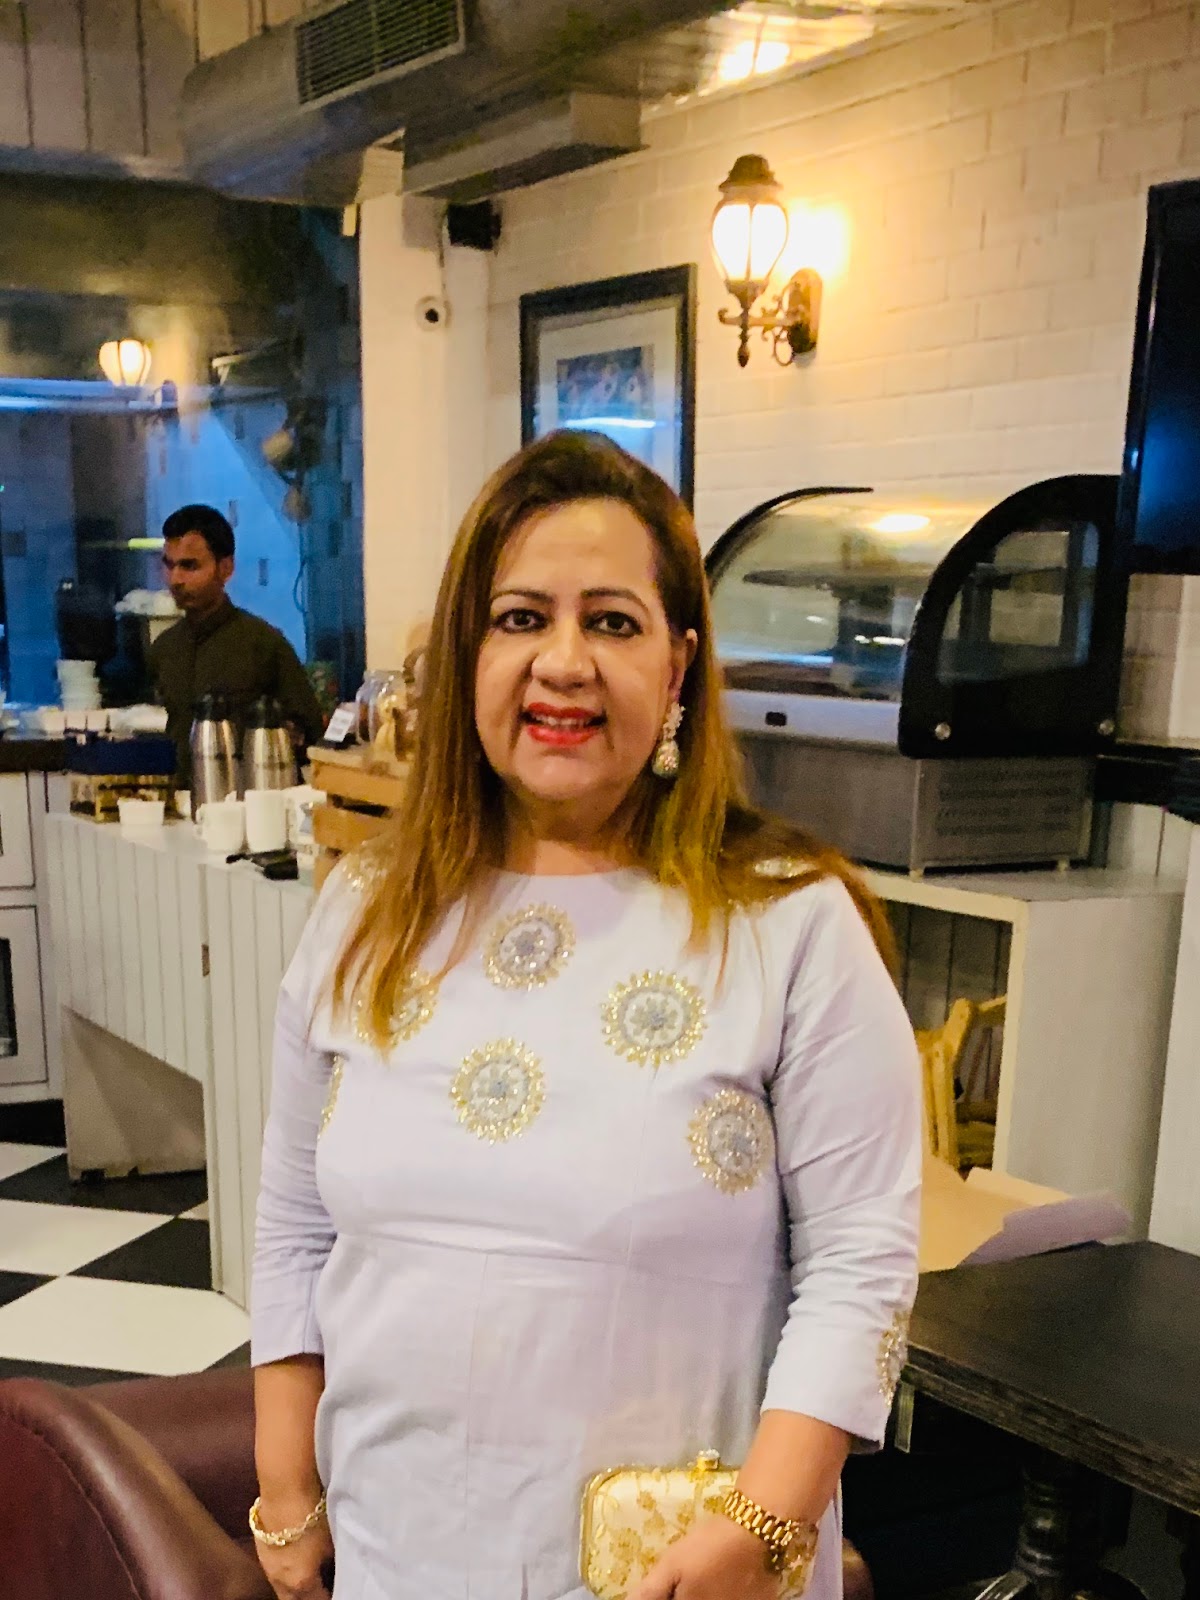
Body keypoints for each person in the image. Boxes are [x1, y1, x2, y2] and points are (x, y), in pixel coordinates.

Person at [250, 431, 922, 1600]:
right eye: (520, 618)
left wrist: (764, 1525)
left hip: (678, 1573)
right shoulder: (364, 913)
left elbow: (861, 1258)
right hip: (398, 1552)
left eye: (612, 622)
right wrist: (283, 1487)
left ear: (678, 665)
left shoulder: (789, 922)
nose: (563, 663)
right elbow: (294, 1224)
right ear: (466, 654)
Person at [148, 503, 326, 783]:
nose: (175, 579)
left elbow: (310, 733)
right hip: (179, 799)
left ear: (225, 568)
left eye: (189, 566)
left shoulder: (263, 644)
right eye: (169, 565)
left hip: (253, 800)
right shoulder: (165, 648)